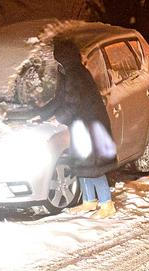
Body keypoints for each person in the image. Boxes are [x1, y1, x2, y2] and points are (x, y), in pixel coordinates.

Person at [34, 37, 118, 219]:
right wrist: (42, 114)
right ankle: (89, 201)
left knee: (95, 167)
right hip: (83, 127)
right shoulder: (69, 73)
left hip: (92, 128)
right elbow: (60, 99)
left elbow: (72, 103)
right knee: (82, 165)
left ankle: (106, 203)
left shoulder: (75, 75)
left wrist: (59, 118)